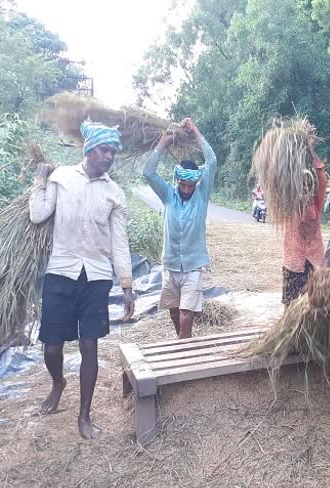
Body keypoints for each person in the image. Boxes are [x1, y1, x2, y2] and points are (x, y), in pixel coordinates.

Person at [30, 120, 135, 440]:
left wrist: (127, 285)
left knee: (90, 344)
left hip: (96, 277)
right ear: (89, 149)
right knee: (51, 347)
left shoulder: (114, 193)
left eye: (113, 151)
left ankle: (84, 415)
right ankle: (58, 382)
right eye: (105, 149)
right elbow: (38, 215)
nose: (110, 156)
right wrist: (40, 180)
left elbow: (119, 242)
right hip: (60, 270)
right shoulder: (61, 178)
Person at [143, 118, 217, 339]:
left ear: (196, 183)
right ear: (177, 182)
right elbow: (148, 173)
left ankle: (183, 353)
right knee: (174, 312)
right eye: (183, 185)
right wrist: (162, 145)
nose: (186, 189)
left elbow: (211, 161)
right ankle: (183, 344)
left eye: (190, 185)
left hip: (194, 266)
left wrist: (195, 132)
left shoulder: (201, 195)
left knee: (186, 313)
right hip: (171, 265)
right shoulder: (167, 194)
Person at [281, 135, 326, 307]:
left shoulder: (316, 202)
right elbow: (283, 178)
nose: (305, 187)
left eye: (308, 184)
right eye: (301, 184)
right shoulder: (288, 204)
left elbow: (322, 178)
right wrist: (293, 155)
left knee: (314, 304)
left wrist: (310, 150)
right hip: (293, 261)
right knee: (290, 304)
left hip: (314, 261)